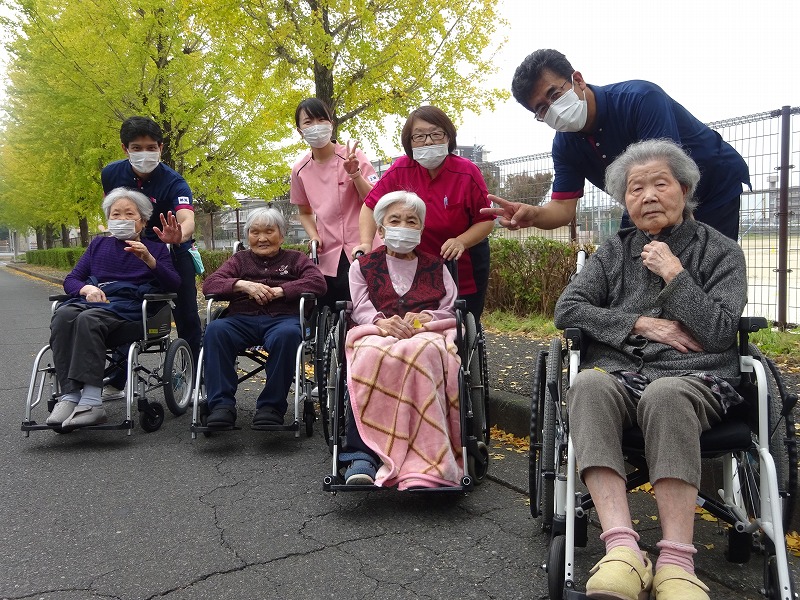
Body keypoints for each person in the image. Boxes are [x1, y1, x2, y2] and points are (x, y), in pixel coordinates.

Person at [553, 139, 747, 600]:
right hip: (623, 372)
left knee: (666, 394)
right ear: (625, 201)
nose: (648, 196)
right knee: (588, 384)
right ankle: (622, 550)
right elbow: (568, 309)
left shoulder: (722, 253)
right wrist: (641, 324)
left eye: (660, 184)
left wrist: (675, 275)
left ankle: (677, 561)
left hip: (698, 377)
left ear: (684, 188)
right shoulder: (613, 252)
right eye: (635, 189)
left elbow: (720, 331)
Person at [483, 49, 750, 241]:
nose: (553, 109)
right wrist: (534, 214)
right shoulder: (565, 145)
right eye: (541, 109)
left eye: (554, 94)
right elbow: (562, 210)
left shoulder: (640, 99)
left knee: (709, 271)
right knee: (644, 273)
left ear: (578, 79)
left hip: (713, 186)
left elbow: (664, 177)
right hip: (655, 198)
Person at [342, 191, 462, 489]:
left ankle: (428, 460)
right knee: (369, 354)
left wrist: (423, 320)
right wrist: (382, 323)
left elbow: (448, 307)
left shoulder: (437, 267)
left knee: (425, 352)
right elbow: (360, 307)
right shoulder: (362, 267)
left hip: (427, 334)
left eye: (412, 221)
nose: (403, 226)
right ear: (380, 230)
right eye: (395, 220)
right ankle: (363, 456)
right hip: (377, 333)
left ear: (420, 230)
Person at [46, 188, 181, 429]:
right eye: (115, 214)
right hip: (95, 302)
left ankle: (91, 402)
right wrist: (86, 290)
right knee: (63, 315)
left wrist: (150, 260)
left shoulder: (157, 248)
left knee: (89, 319)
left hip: (132, 310)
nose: (121, 219)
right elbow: (71, 280)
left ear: (143, 220)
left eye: (129, 214)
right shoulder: (98, 244)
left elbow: (174, 284)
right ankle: (70, 396)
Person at [354, 106, 494, 320]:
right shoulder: (401, 168)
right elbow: (371, 204)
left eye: (436, 134)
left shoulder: (466, 172)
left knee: (461, 326)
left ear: (448, 137)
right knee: (413, 323)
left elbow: (486, 220)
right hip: (413, 266)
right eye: (419, 136)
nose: (428, 141)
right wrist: (366, 242)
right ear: (409, 142)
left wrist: (461, 241)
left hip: (462, 264)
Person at [100, 116, 202, 399]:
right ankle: (117, 379)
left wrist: (179, 235)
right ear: (125, 148)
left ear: (160, 147)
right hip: (131, 246)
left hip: (173, 247)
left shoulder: (174, 182)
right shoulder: (111, 173)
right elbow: (114, 207)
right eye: (137, 147)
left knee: (187, 314)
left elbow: (187, 218)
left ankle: (193, 380)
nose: (144, 153)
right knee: (125, 304)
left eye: (150, 147)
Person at [200, 207, 326, 429]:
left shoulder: (297, 259)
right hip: (241, 320)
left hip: (283, 320)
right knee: (215, 330)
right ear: (248, 236)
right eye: (255, 232)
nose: (262, 238)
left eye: (269, 231)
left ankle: (271, 407)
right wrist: (241, 284)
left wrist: (282, 291)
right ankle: (221, 405)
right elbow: (210, 284)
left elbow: (317, 283)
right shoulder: (239, 260)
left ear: (282, 234)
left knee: (287, 335)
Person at [290, 98, 378, 308]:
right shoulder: (300, 170)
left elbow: (376, 200)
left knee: (368, 307)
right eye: (309, 122)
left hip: (364, 246)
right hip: (329, 252)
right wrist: (314, 235)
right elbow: (304, 211)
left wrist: (355, 173)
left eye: (322, 119)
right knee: (333, 310)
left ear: (331, 123)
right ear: (300, 130)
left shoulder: (353, 155)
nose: (316, 126)